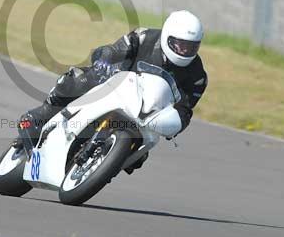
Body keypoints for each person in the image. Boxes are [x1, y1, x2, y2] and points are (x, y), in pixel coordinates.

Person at [15, 10, 208, 174]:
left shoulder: (197, 77)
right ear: (167, 36)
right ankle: (40, 115)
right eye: (180, 44)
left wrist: (176, 124)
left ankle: (104, 164)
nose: (184, 51)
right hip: (117, 87)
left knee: (137, 160)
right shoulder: (145, 37)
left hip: (146, 115)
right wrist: (105, 60)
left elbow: (185, 109)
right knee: (81, 78)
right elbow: (115, 50)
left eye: (191, 46)